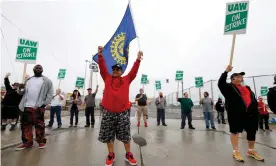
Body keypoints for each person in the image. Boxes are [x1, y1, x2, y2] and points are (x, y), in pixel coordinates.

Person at [97, 46, 142, 166]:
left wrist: (138, 60)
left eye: (118, 69)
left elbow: (133, 71)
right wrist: (100, 55)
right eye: (114, 69)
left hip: (122, 113)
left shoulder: (127, 79)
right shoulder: (107, 78)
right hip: (108, 112)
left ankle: (128, 154)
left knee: (125, 135)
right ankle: (111, 154)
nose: (115, 70)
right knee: (108, 135)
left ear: (121, 71)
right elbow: (102, 68)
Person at [218, 66, 264, 162]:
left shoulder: (247, 87)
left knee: (252, 131)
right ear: (233, 79)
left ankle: (251, 151)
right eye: (238, 76)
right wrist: (226, 71)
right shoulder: (229, 87)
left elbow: (252, 98)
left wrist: (255, 108)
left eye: (241, 76)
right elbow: (220, 83)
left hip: (250, 114)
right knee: (235, 131)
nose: (240, 77)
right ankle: (236, 151)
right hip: (236, 114)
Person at [15, 65, 54, 151]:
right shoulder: (28, 80)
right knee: (25, 126)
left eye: (40, 68)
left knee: (39, 125)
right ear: (33, 70)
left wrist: (44, 104)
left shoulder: (47, 81)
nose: (38, 68)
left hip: (38, 107)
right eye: (36, 67)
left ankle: (41, 142)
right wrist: (20, 88)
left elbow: (50, 94)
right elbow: (20, 93)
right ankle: (27, 142)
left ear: (42, 70)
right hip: (26, 106)